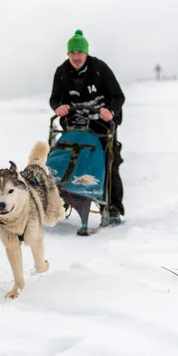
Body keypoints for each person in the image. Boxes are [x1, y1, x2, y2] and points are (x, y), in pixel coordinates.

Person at [49, 29, 126, 222]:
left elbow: (119, 96)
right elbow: (54, 99)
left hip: (101, 125)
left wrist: (111, 112)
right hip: (73, 124)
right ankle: (60, 196)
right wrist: (59, 107)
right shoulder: (62, 72)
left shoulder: (99, 68)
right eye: (72, 53)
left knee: (110, 160)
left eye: (79, 53)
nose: (76, 57)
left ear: (86, 53)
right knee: (64, 156)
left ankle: (113, 206)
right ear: (68, 54)